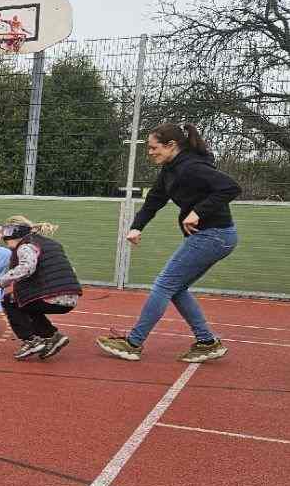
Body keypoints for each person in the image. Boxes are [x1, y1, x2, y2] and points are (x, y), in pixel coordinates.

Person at [98, 120, 240, 365]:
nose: (150, 152)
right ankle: (207, 342)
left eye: (154, 147)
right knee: (176, 288)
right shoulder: (170, 170)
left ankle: (133, 343)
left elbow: (231, 187)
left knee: (163, 285)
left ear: (171, 145)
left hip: (214, 235)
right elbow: (154, 200)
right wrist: (136, 227)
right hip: (212, 236)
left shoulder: (192, 167)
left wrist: (198, 212)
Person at [0, 218, 82, 360]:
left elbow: (26, 268)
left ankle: (30, 341)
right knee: (26, 304)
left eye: (7, 232)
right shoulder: (50, 243)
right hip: (70, 296)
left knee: (10, 301)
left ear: (17, 233)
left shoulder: (25, 246)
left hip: (54, 297)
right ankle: (52, 336)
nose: (5, 238)